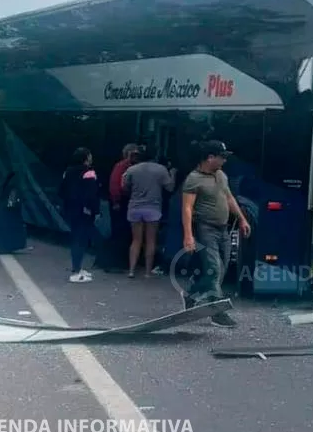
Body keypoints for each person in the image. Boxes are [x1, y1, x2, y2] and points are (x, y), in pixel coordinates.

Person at [182, 140, 251, 328]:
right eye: (222, 157)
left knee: (222, 269)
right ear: (210, 157)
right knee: (215, 268)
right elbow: (187, 208)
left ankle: (192, 294)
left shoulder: (221, 175)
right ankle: (217, 313)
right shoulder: (193, 179)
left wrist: (242, 219)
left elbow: (229, 198)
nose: (224, 161)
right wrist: (188, 235)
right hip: (205, 229)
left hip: (223, 229)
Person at [123, 146, 176, 278]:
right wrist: (173, 174)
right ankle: (147, 272)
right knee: (151, 241)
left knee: (136, 240)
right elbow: (169, 188)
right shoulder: (161, 170)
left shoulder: (132, 169)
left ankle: (131, 270)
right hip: (153, 208)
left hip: (135, 208)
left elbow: (125, 187)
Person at [59, 147, 100, 283]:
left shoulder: (68, 172)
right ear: (85, 158)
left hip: (70, 209)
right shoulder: (89, 173)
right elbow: (92, 194)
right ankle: (76, 271)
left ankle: (77, 268)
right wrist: (95, 210)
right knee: (81, 239)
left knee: (76, 237)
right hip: (84, 210)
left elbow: (62, 191)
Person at [102, 143, 139, 272]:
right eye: (134, 153)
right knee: (119, 231)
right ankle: (113, 263)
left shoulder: (130, 167)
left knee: (123, 232)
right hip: (120, 202)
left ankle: (119, 262)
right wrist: (116, 201)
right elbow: (114, 184)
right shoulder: (122, 166)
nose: (136, 156)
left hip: (124, 202)